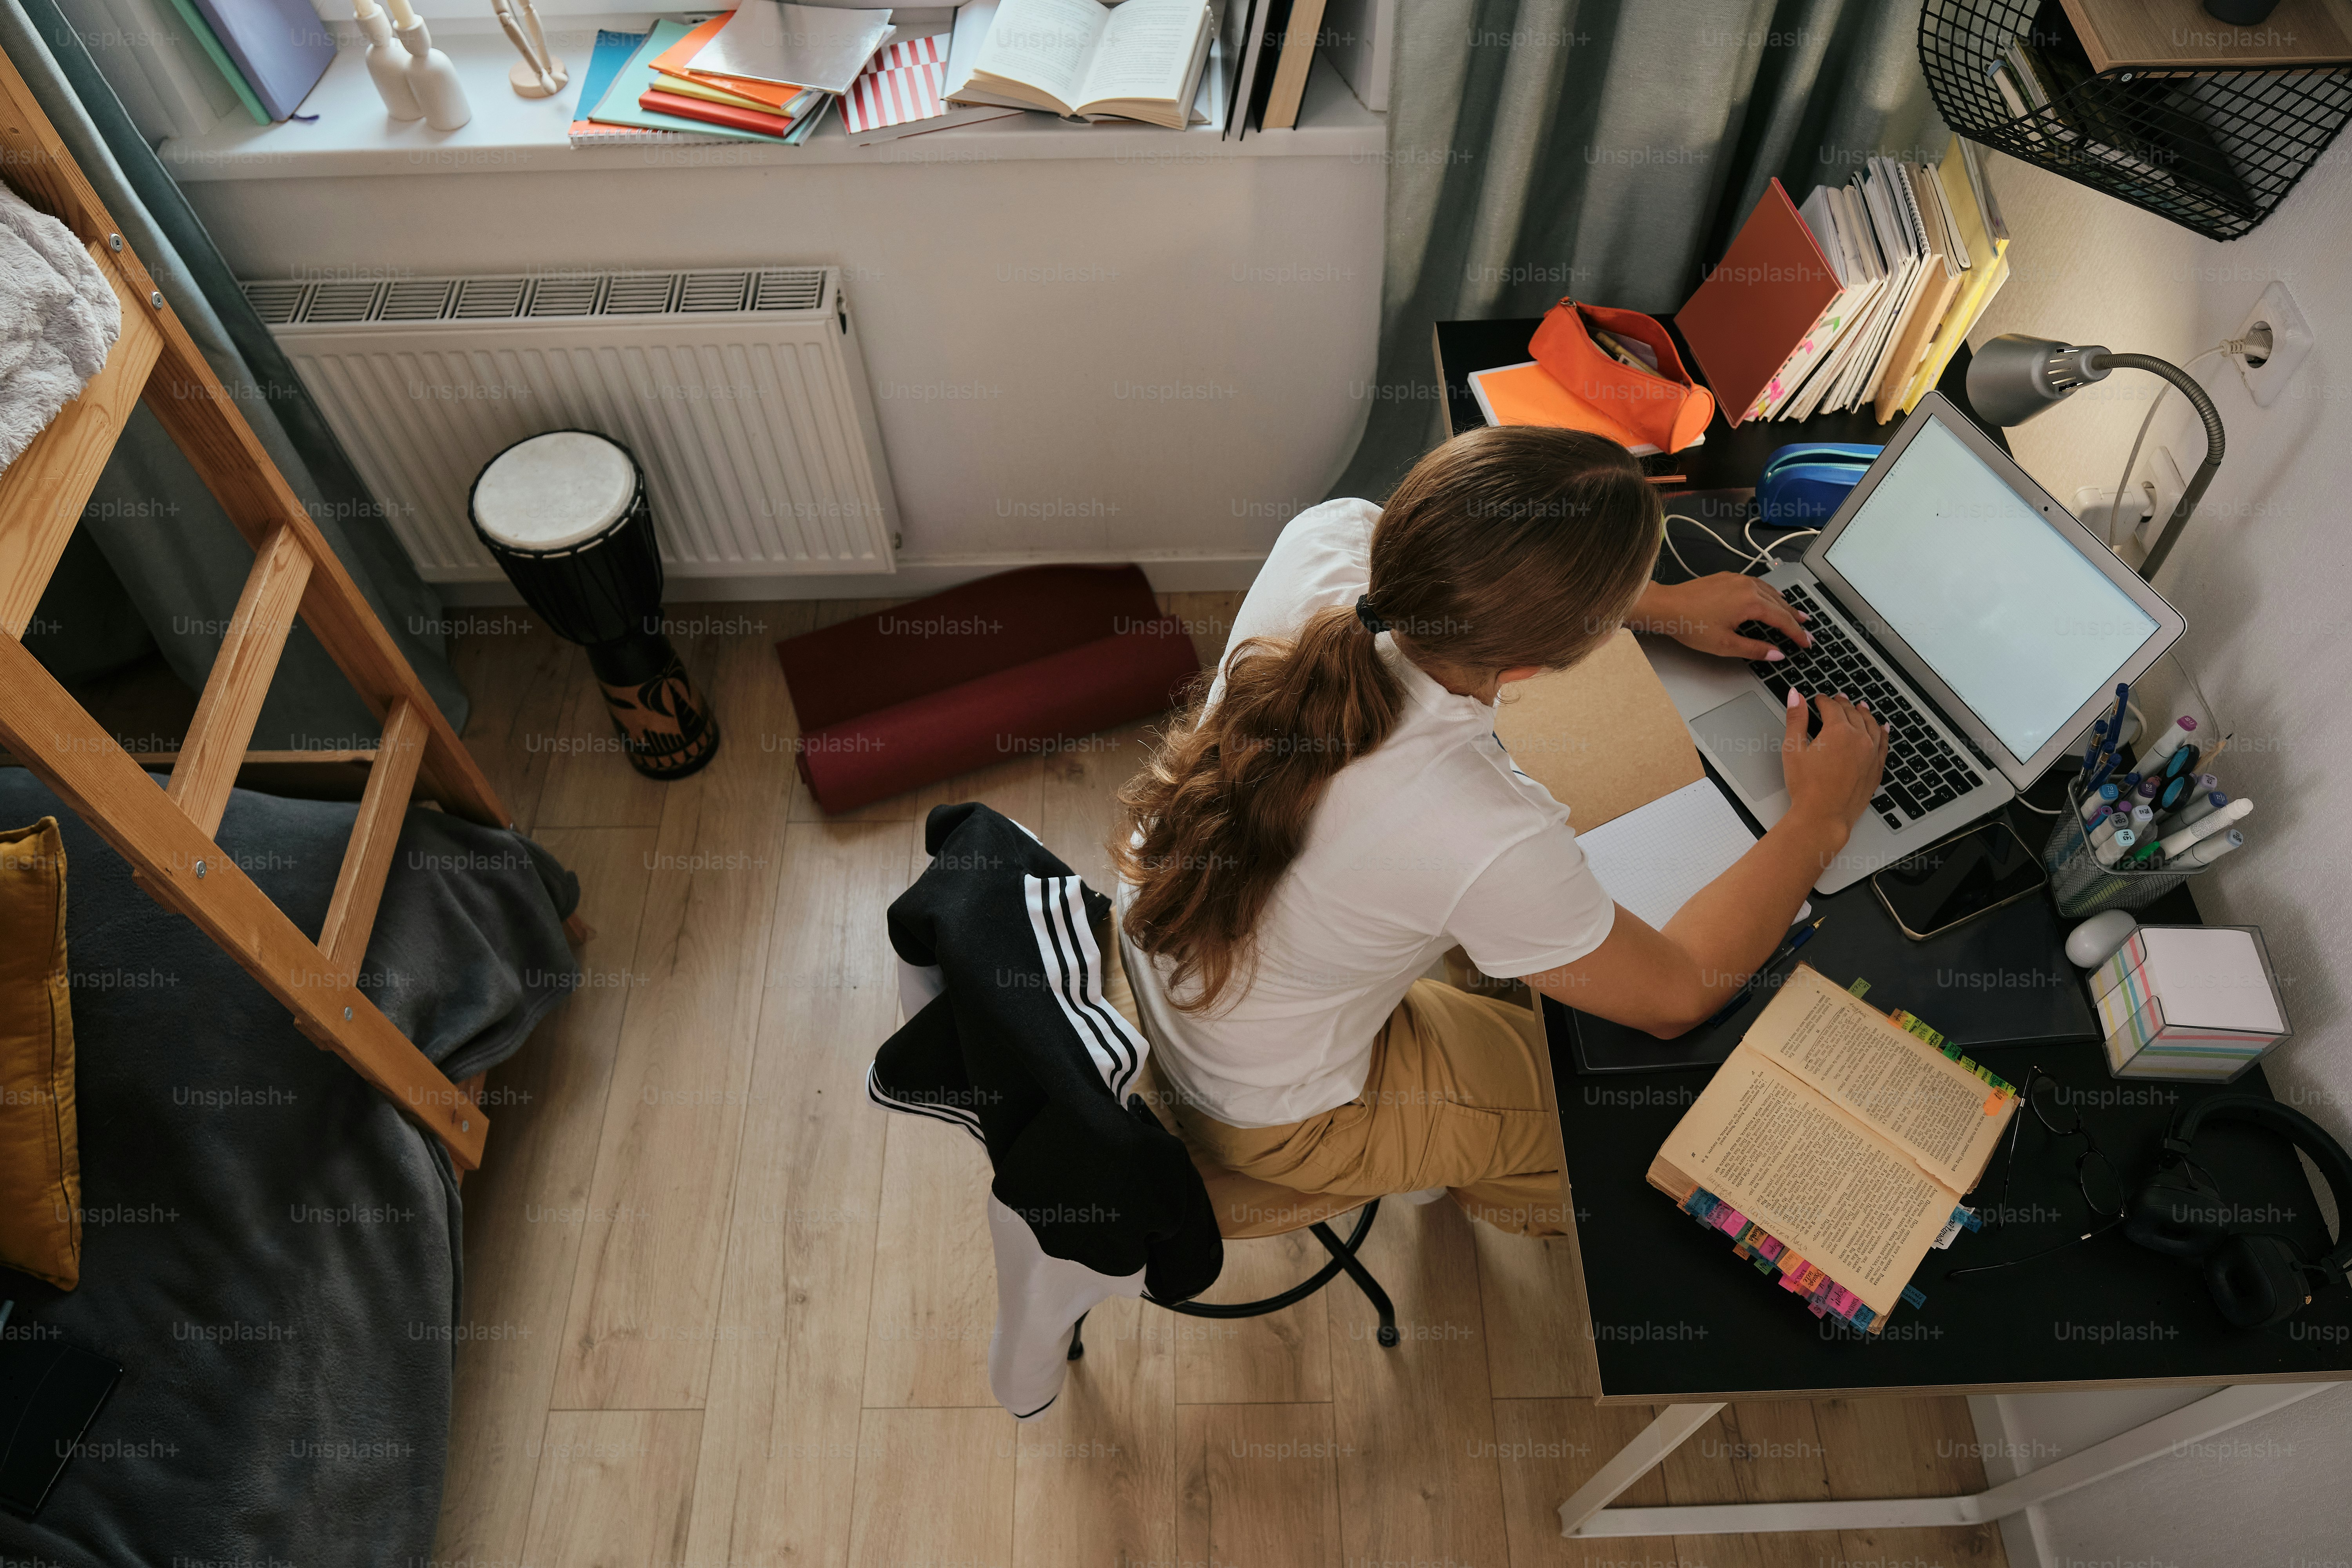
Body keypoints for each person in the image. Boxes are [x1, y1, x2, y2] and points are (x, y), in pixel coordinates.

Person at [1112, 426, 1888, 1235]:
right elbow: (1678, 992)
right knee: (1617, 1128)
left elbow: (1448, 581)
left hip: (1165, 942)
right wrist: (1818, 819)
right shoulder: (1482, 827)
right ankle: (1478, 1176)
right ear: (1530, 668)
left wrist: (1652, 605)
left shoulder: (1329, 537)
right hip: (1263, 1107)